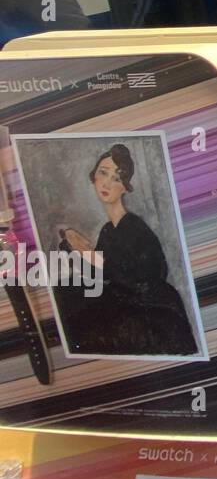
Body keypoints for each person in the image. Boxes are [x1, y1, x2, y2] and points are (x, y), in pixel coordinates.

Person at [58, 144, 198, 357]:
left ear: (125, 186)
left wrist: (90, 255)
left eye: (116, 178)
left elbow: (148, 277)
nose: (107, 183)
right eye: (103, 173)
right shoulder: (108, 230)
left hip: (155, 311)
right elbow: (99, 277)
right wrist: (73, 248)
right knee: (69, 293)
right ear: (94, 177)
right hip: (128, 309)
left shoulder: (134, 226)